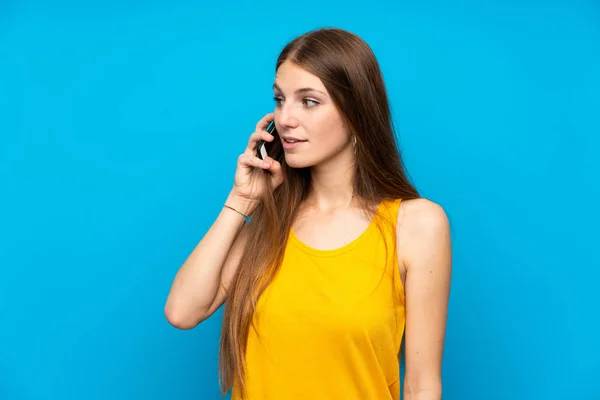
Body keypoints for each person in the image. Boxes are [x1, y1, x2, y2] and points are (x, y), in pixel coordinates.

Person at [165, 27, 452, 400]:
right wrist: (240, 202)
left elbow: (421, 385)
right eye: (280, 100)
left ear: (356, 112)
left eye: (309, 101)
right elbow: (183, 312)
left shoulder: (417, 225)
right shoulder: (271, 224)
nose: (285, 119)